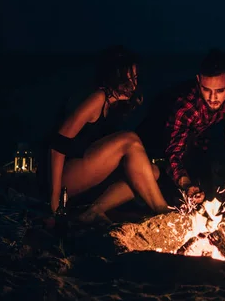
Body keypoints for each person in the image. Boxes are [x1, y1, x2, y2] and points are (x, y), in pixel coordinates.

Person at [47, 45, 169, 223]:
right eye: (126, 80)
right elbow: (57, 145)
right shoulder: (97, 98)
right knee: (129, 139)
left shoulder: (113, 104)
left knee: (152, 172)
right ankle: (162, 210)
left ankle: (93, 211)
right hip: (61, 178)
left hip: (85, 174)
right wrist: (54, 198)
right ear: (112, 78)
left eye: (134, 78)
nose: (133, 86)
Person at [165, 49, 225, 204]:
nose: (212, 98)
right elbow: (173, 152)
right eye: (206, 90)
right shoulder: (187, 107)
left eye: (220, 90)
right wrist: (186, 184)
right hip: (159, 136)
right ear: (198, 81)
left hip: (202, 139)